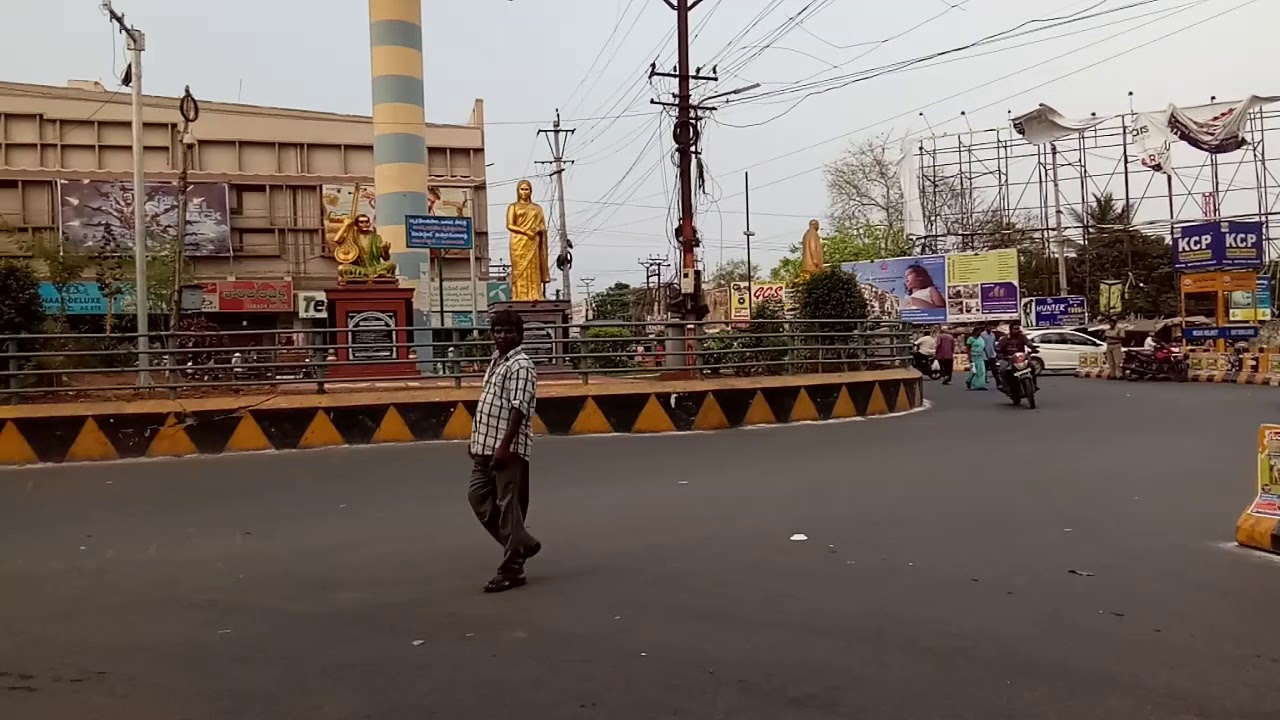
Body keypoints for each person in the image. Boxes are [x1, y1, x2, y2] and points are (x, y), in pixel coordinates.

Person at [468, 309, 542, 593]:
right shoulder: (496, 361)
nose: (501, 336)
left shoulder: (521, 365)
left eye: (508, 331)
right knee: (477, 497)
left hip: (505, 448)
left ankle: (512, 567)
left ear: (519, 334)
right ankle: (522, 543)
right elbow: (490, 404)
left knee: (509, 507)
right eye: (497, 331)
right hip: (484, 445)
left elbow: (519, 408)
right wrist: (476, 440)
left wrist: (505, 446)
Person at [995, 322, 1037, 390]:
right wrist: (998, 349)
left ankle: (1034, 384)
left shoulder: (1022, 337)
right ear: (1011, 329)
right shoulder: (1005, 339)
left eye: (1018, 329)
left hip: (1021, 359)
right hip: (1008, 359)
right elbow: (999, 347)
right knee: (1003, 370)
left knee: (1032, 366)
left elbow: (1028, 342)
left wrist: (1032, 347)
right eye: (1015, 329)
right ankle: (1006, 386)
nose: (1017, 330)